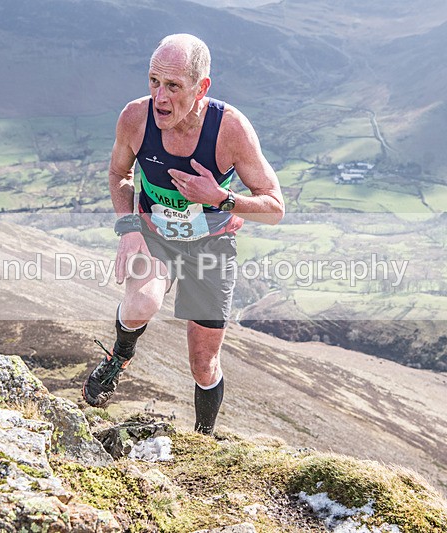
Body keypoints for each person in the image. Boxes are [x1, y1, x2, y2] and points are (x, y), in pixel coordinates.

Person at [82, 34, 284, 435]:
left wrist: (222, 198)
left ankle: (203, 439)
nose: (160, 96)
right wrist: (128, 227)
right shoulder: (135, 119)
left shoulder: (231, 130)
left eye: (173, 86)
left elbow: (275, 207)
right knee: (142, 301)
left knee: (203, 360)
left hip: (211, 244)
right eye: (154, 81)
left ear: (201, 87)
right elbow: (118, 174)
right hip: (154, 235)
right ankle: (119, 356)